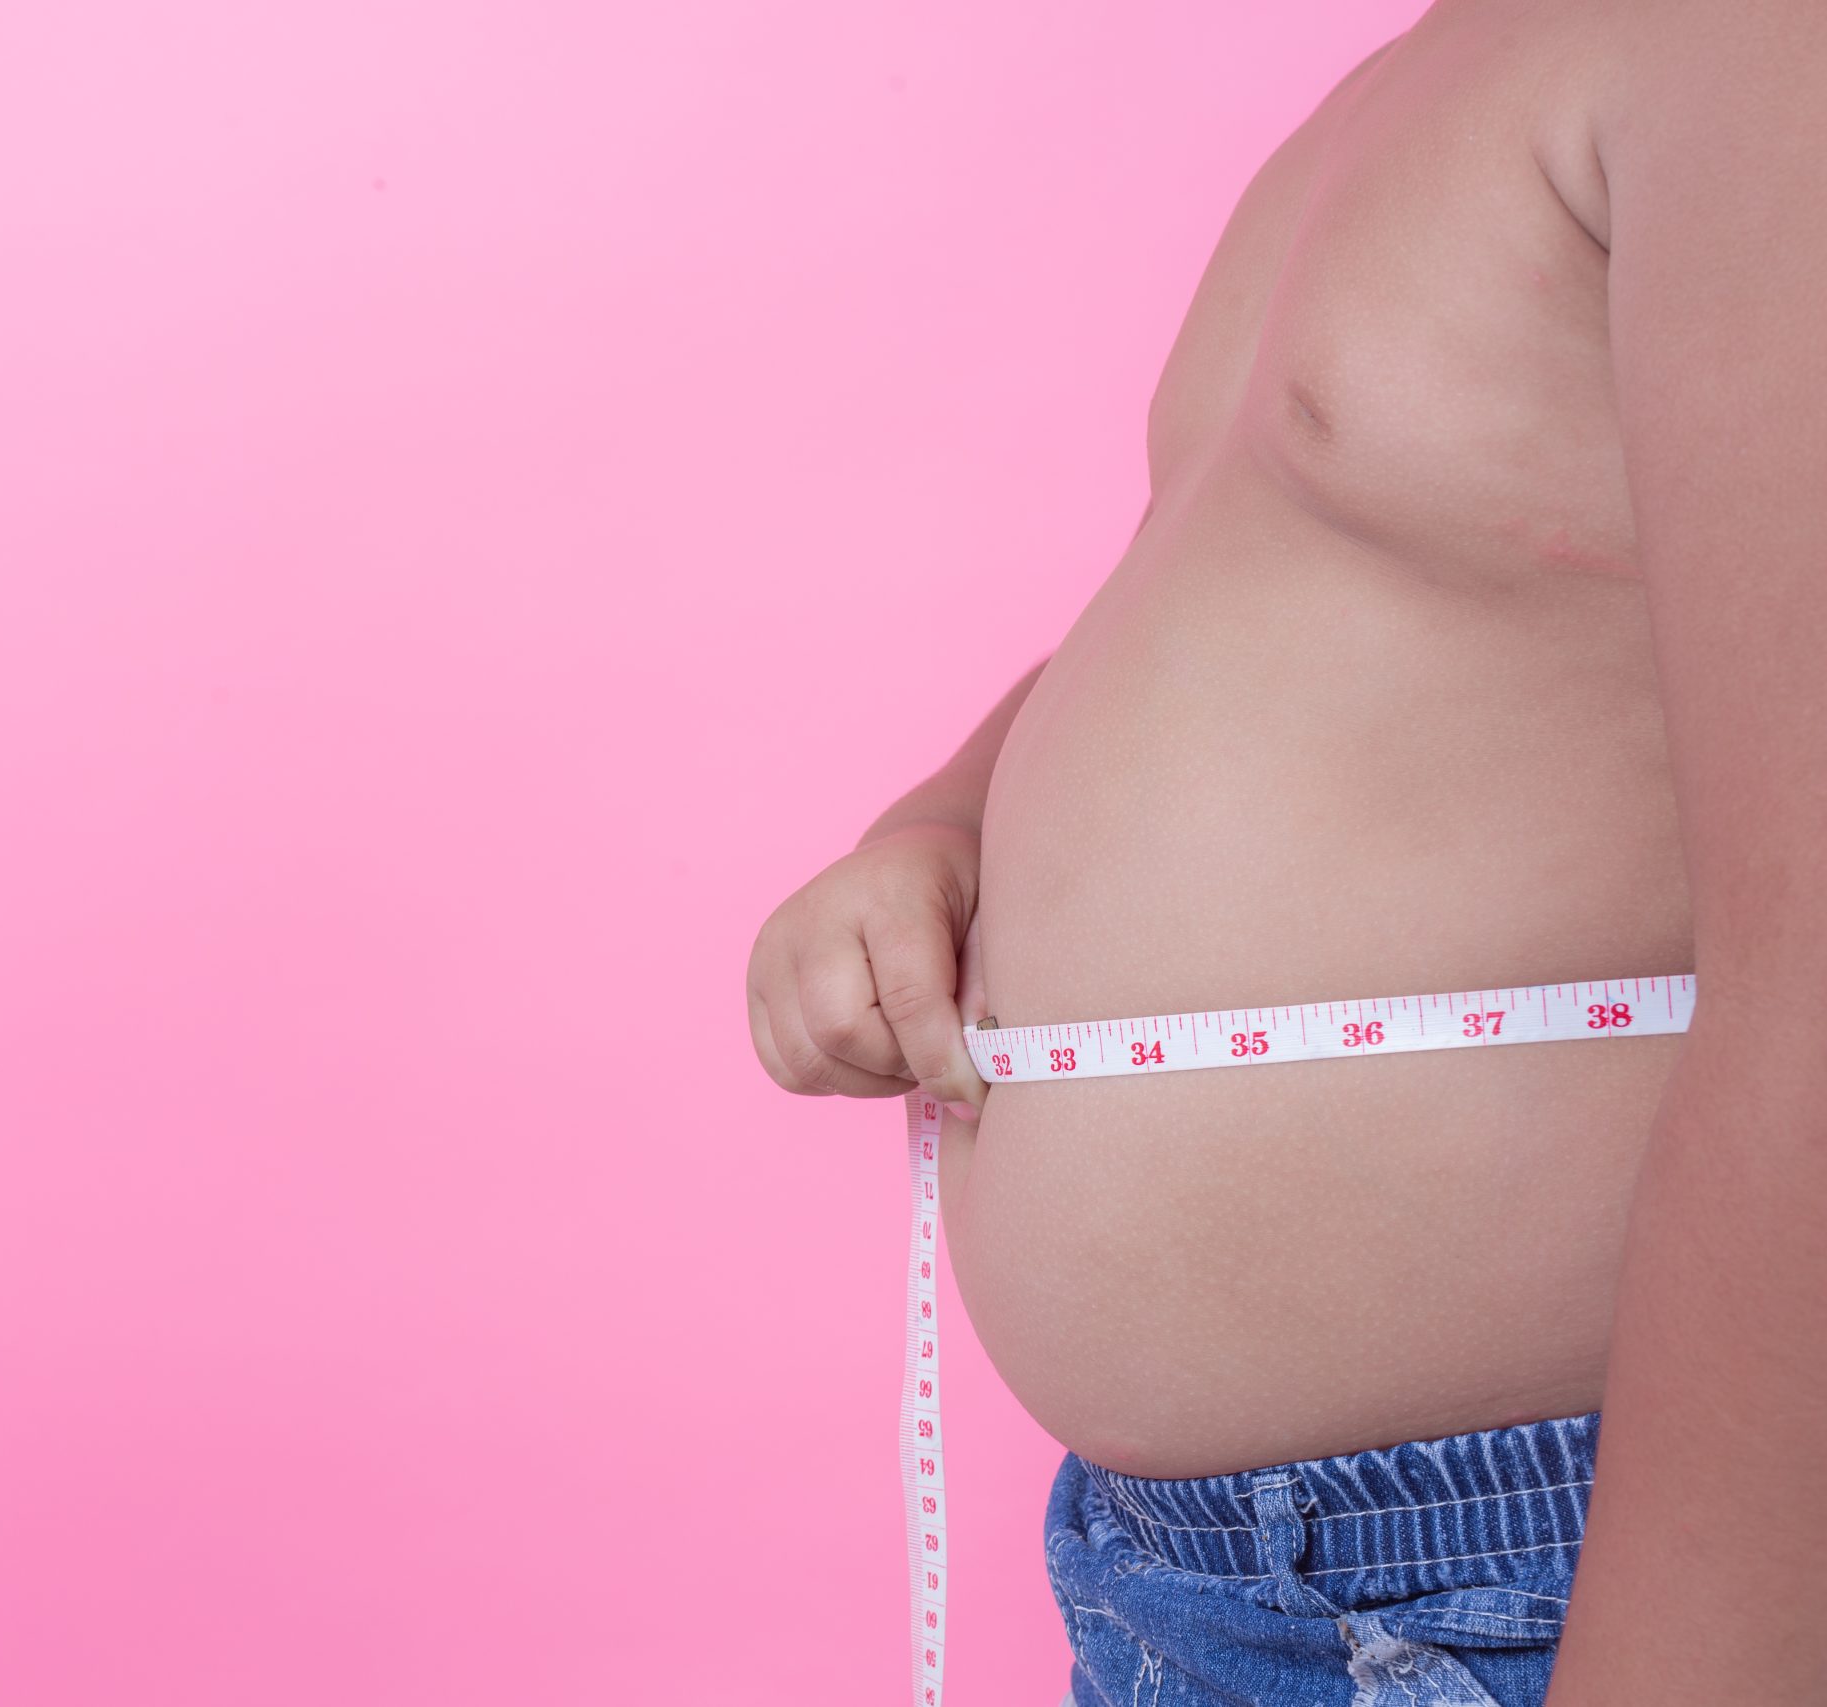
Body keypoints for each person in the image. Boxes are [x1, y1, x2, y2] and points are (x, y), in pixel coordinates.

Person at [744, 3, 1826, 1701]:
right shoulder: (1398, 89)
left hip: (1557, 1582)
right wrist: (948, 822)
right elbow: (1252, 605)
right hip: (1176, 1580)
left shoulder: (1756, 55)